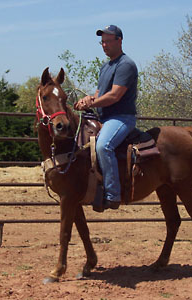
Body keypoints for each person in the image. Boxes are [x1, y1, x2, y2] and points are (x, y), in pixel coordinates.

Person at [75, 25, 138, 212]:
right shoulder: (106, 66)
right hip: (105, 117)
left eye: (108, 41)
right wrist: (88, 99)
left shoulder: (125, 64)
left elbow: (114, 96)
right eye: (102, 42)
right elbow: (100, 94)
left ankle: (112, 194)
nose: (104, 45)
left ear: (119, 40)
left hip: (120, 117)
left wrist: (91, 104)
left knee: (104, 146)